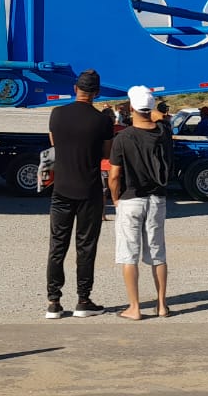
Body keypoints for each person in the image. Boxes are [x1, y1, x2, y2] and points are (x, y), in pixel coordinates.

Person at [45, 69, 114, 319]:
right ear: (97, 93)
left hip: (62, 188)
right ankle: (83, 300)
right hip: (89, 189)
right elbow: (107, 153)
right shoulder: (102, 121)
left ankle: (53, 301)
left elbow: (54, 143)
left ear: (75, 89)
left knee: (57, 245)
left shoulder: (57, 114)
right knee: (86, 246)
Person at [108, 85, 173, 320]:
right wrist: (154, 111)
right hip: (157, 199)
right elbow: (160, 119)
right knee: (157, 253)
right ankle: (162, 305)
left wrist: (115, 198)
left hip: (131, 198)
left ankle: (134, 307)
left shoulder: (123, 138)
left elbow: (114, 175)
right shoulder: (163, 133)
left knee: (129, 254)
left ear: (131, 108)